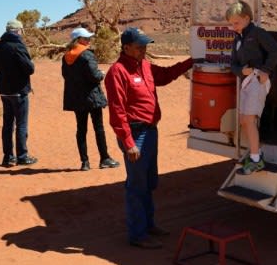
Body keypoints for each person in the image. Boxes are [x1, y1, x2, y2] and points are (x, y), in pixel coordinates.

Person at [104, 27, 197, 249]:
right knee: (136, 186)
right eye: (139, 47)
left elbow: (164, 76)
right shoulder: (117, 72)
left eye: (145, 46)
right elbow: (117, 112)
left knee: (148, 183)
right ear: (126, 48)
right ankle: (138, 234)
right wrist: (128, 144)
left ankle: (149, 224)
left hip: (150, 131)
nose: (144, 50)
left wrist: (191, 62)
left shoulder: (144, 65)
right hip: (135, 135)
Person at [226, 0, 277, 175]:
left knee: (248, 120)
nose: (233, 27)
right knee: (244, 120)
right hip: (246, 82)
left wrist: (266, 70)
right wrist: (241, 70)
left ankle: (257, 159)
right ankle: (255, 155)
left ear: (247, 18)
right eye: (231, 24)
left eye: (236, 22)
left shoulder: (257, 33)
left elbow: (276, 50)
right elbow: (233, 65)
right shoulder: (237, 40)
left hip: (258, 80)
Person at [62, 27, 120, 171]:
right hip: (91, 97)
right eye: (86, 38)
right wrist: (101, 74)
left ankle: (85, 162)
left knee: (81, 129)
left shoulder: (66, 56)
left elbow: (65, 76)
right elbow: (94, 76)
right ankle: (104, 158)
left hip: (76, 98)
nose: (89, 40)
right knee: (98, 128)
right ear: (78, 39)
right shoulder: (87, 55)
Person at [0, 19, 37, 167]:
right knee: (21, 124)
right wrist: (31, 64)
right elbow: (29, 69)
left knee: (7, 125)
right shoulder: (18, 46)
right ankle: (22, 156)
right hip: (19, 90)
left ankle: (8, 157)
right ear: (18, 30)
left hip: (4, 91)